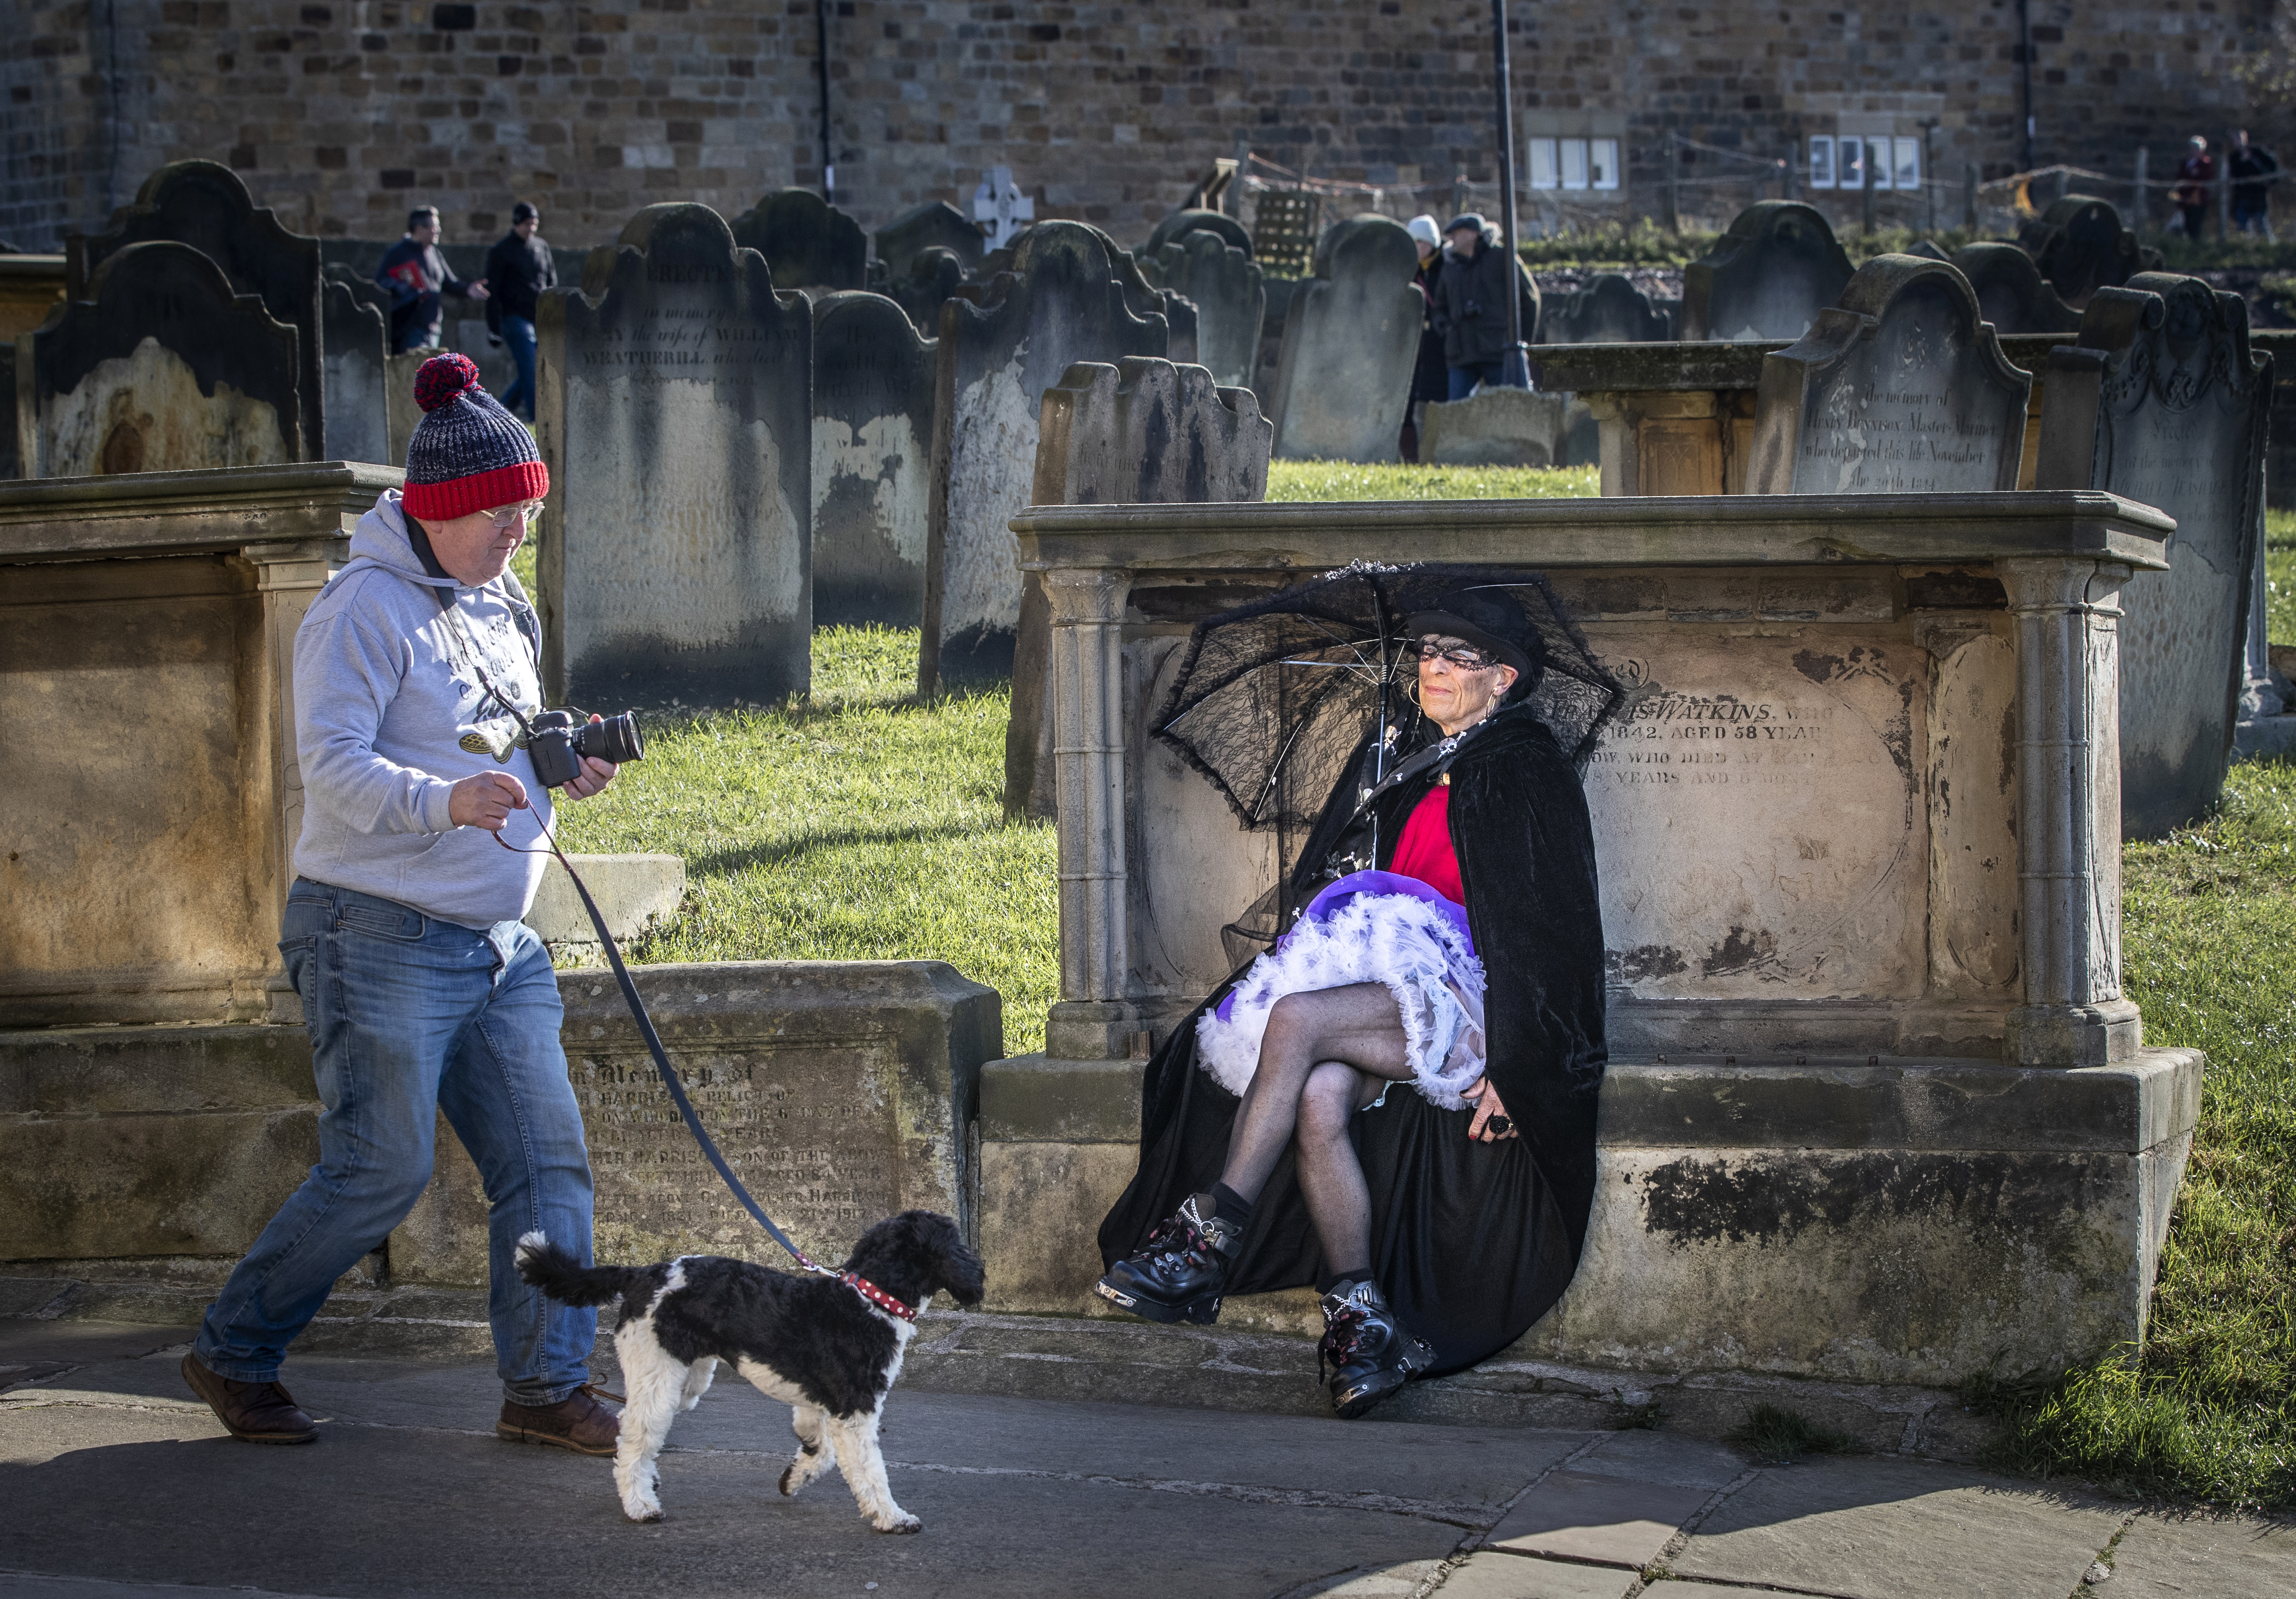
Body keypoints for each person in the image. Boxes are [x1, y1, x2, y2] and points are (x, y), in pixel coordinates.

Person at [181, 352, 622, 1453]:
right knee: (381, 1168)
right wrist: (443, 800)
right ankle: (232, 1350)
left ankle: (544, 1385)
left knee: (544, 1162)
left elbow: (492, 728)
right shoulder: (358, 611)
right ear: (439, 510)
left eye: (529, 513)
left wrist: (556, 758)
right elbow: (327, 765)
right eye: (502, 518)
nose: (519, 534)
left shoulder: (497, 598)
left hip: (497, 946)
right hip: (372, 931)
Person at [1096, 587, 1607, 1419]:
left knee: (1297, 1021)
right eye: (1429, 651)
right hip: (1383, 988)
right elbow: (1333, 884)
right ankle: (1358, 1323)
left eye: (1459, 657)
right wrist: (1368, 796)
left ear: (1505, 679)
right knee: (1320, 1095)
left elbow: (1557, 931)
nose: (1434, 667)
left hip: (1471, 997)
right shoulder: (1402, 757)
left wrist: (1523, 1064)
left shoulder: (1525, 768)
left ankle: (1207, 1236)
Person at [1432, 213, 1540, 400]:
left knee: (1508, 408)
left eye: (1457, 232)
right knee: (1455, 415)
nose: (1452, 238)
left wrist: (1522, 343)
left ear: (1475, 234)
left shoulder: (1501, 258)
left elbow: (1529, 300)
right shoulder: (1450, 265)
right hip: (1461, 352)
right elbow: (1439, 305)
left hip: (1497, 351)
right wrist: (1442, 323)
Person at [378, 207, 488, 354]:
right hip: (409, 327)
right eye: (434, 227)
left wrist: (468, 289)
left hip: (432, 327)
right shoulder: (398, 253)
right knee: (415, 371)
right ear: (418, 229)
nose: (438, 231)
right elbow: (380, 283)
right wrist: (404, 287)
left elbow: (449, 284)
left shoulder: (434, 253)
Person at [485, 202, 556, 420]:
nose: (531, 229)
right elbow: (493, 291)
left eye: (534, 224)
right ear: (517, 223)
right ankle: (538, 420)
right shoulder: (502, 251)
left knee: (532, 371)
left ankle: (497, 414)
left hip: (539, 316)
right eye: (527, 224)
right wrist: (493, 328)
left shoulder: (541, 247)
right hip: (515, 318)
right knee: (532, 370)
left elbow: (551, 281)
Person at [1400, 215, 1448, 461]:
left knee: (1436, 400)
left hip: (1441, 347)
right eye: (1414, 243)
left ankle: (1434, 454)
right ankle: (1410, 457)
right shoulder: (1406, 269)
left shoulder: (1447, 267)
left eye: (1423, 243)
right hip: (1413, 346)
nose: (1418, 248)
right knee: (1407, 403)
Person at [2232, 130, 2279, 238]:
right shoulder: (2234, 157)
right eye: (2235, 140)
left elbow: (2272, 166)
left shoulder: (2257, 153)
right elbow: (2234, 176)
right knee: (2242, 225)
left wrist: (2268, 181)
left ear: (2245, 139)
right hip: (2242, 195)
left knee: (2260, 222)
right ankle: (2245, 248)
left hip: (2258, 194)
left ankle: (2267, 247)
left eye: (2239, 139)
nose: (2237, 142)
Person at [2171, 136, 2216, 240]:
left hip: (2198, 201)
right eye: (2192, 148)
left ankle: (2196, 247)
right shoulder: (2186, 164)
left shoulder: (2206, 164)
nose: (2194, 151)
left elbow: (2205, 181)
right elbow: (2180, 180)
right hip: (2184, 201)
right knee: (2185, 227)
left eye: (2196, 148)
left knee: (2195, 227)